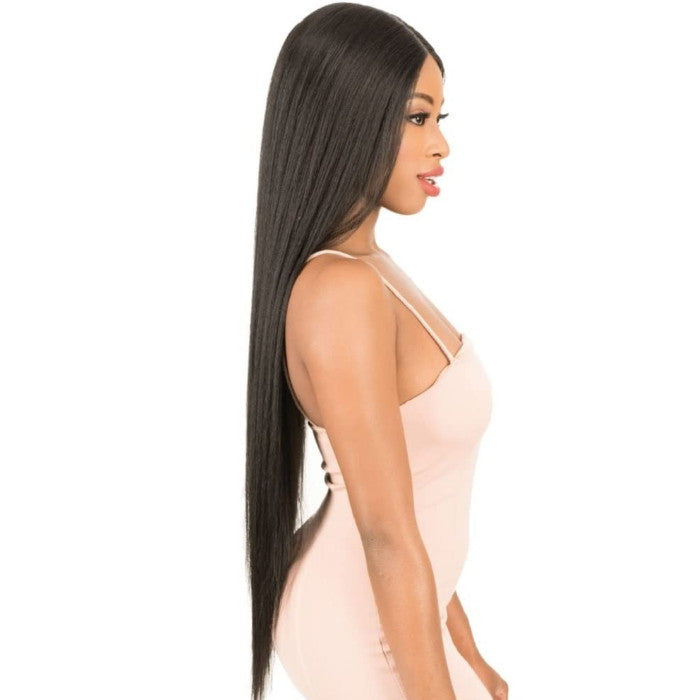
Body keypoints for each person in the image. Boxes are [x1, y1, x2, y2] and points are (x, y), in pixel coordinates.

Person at [245, 4, 508, 699]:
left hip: (404, 614)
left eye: (439, 119)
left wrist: (471, 657)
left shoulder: (375, 270)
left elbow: (417, 501)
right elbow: (386, 533)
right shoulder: (340, 290)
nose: (441, 145)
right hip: (360, 625)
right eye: (418, 118)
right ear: (348, 118)